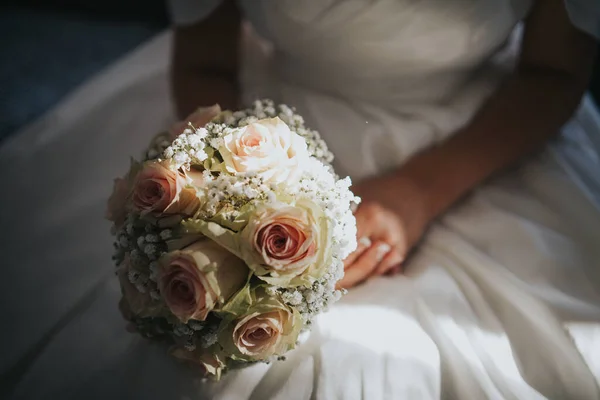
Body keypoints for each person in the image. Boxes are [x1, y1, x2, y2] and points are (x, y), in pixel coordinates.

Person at [1, 0, 600, 399]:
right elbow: (207, 55)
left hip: (484, 130)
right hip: (266, 108)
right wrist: (237, 189)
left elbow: (553, 72)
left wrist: (416, 192)